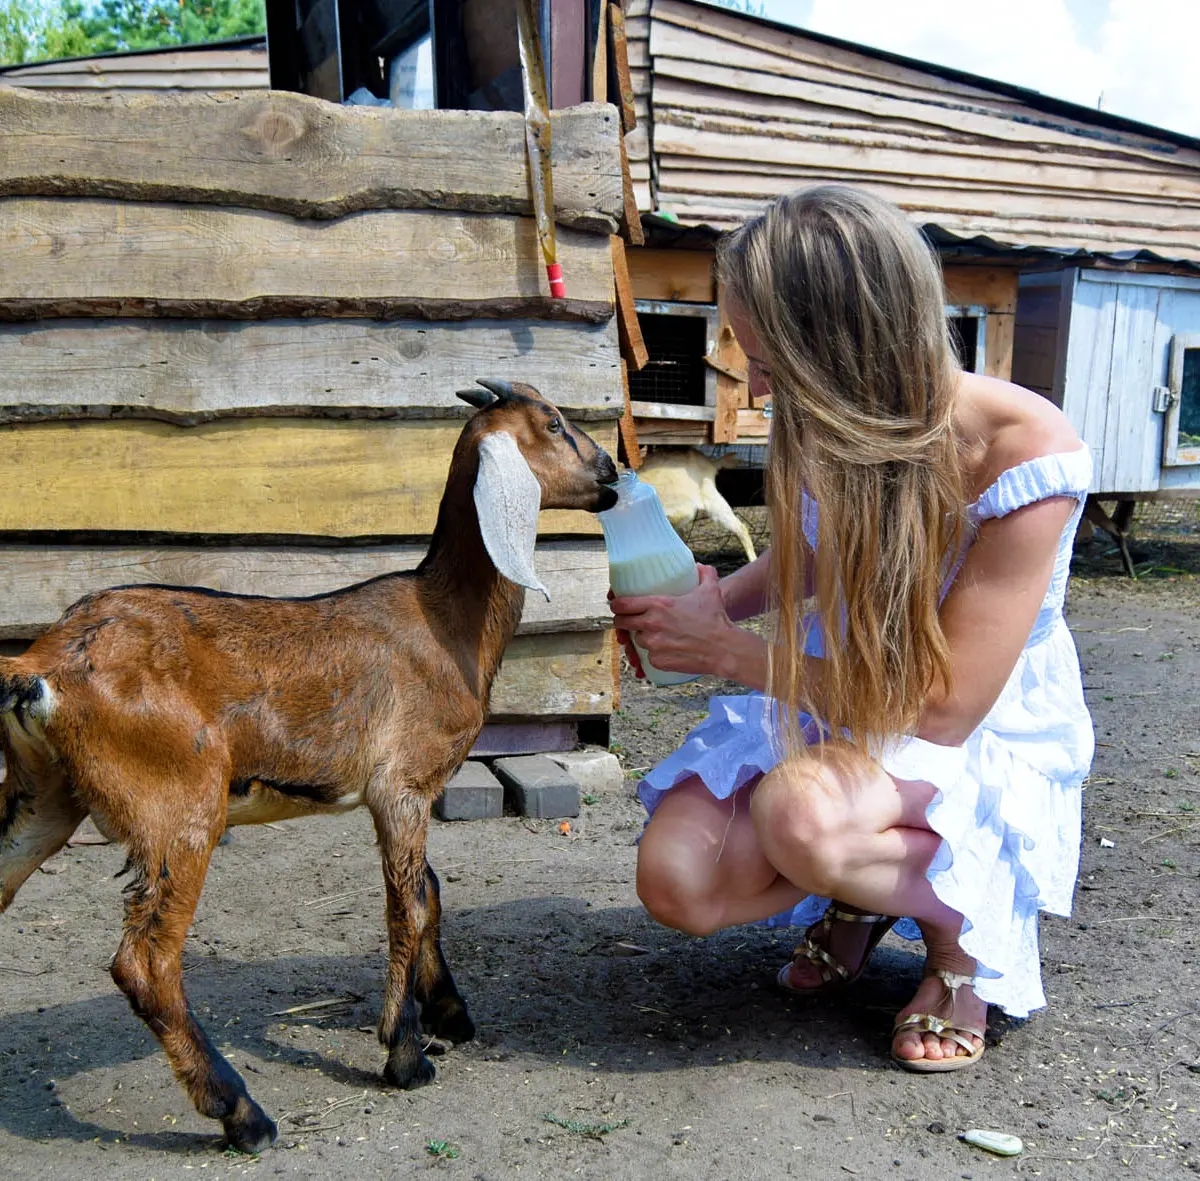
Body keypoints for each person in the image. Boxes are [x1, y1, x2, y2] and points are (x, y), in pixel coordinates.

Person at [609, 184, 1094, 1072]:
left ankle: (963, 942)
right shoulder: (830, 421)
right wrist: (720, 604)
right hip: (846, 681)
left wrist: (732, 653)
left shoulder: (1025, 454)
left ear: (843, 346)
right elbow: (822, 555)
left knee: (803, 817)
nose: (755, 384)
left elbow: (943, 710)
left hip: (963, 721)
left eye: (767, 359)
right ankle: (860, 895)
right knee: (679, 880)